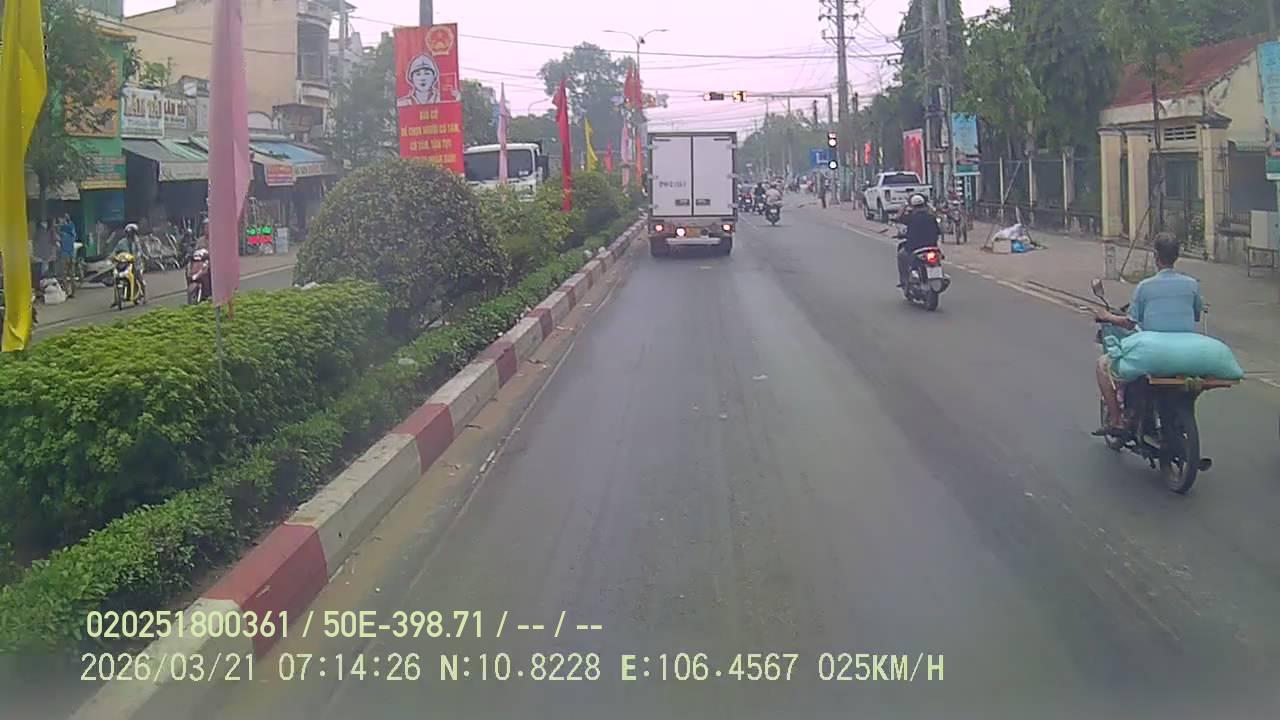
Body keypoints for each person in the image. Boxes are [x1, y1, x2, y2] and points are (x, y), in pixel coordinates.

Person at [1092, 233, 1203, 436]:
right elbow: (1196, 316)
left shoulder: (1145, 287)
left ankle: (1117, 421)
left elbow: (1130, 322)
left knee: (1102, 366)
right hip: (1186, 353)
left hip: (1155, 355)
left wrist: (1107, 316)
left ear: (1156, 256)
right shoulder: (1192, 285)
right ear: (1177, 256)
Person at [896, 193, 940, 288]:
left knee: (901, 255)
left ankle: (904, 281)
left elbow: (898, 218)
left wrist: (904, 206)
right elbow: (938, 231)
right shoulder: (931, 217)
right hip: (932, 247)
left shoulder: (910, 218)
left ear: (912, 206)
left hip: (915, 248)